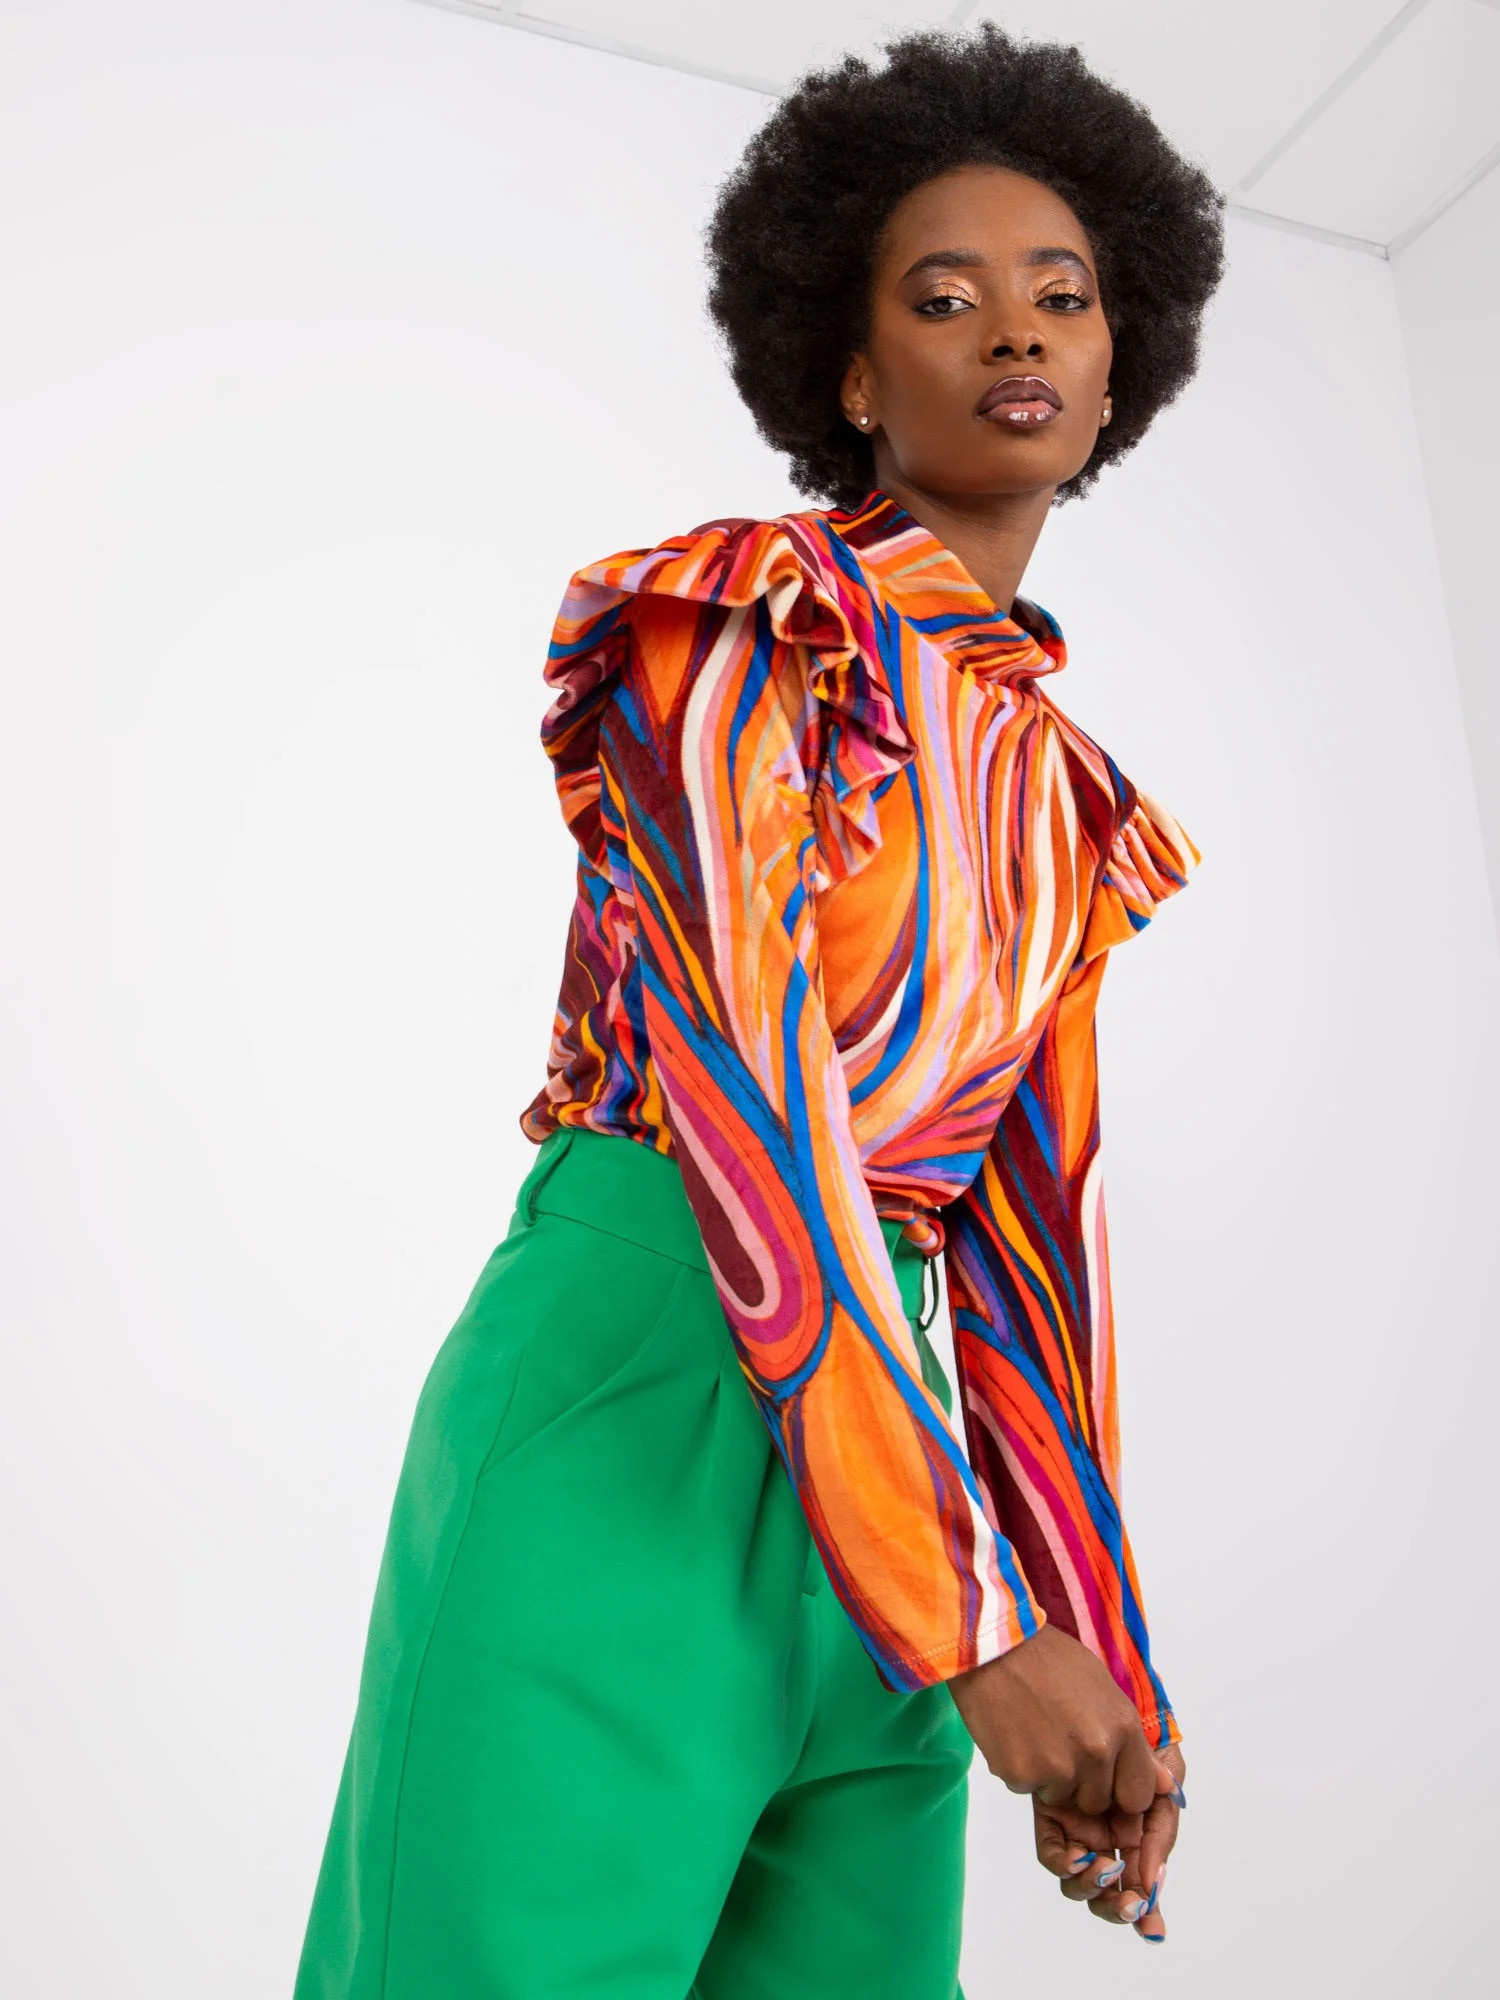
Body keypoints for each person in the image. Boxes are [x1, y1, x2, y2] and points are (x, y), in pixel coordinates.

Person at [294, 22, 1224, 2000]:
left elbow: (1028, 1239)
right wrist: (975, 1621)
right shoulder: (731, 623)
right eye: (943, 297)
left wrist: (1092, 1646)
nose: (1015, 329)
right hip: (649, 1366)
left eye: (1062, 294)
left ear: (1119, 354)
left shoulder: (1066, 798)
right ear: (852, 372)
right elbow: (746, 1093)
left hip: (903, 1470)